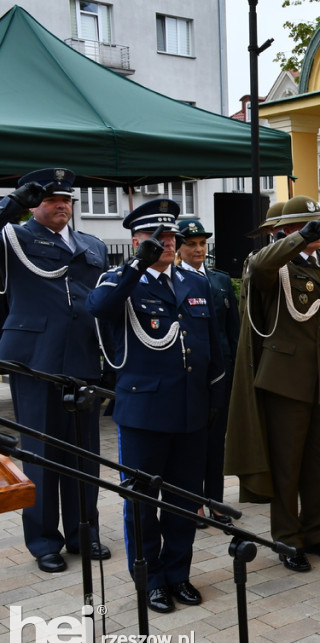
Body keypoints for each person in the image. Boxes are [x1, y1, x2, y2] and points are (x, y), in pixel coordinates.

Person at [88, 199, 225, 613]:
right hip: (145, 412)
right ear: (137, 241)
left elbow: (213, 347)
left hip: (191, 410)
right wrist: (134, 265)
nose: (168, 243)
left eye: (170, 236)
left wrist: (216, 397)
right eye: (157, 237)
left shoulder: (193, 282)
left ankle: (178, 573)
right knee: (143, 501)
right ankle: (149, 581)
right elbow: (98, 308)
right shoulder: (120, 280)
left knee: (184, 500)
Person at [224, 195, 320, 573]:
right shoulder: (273, 265)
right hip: (286, 383)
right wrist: (297, 241)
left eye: (315, 224)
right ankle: (287, 539)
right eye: (305, 225)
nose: (315, 232)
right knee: (287, 465)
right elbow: (259, 266)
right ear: (284, 231)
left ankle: (316, 531)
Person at [0, 168, 110, 573]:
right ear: (34, 204)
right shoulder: (13, 237)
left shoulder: (92, 244)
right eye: (50, 199)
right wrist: (12, 204)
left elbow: (104, 305)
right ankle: (44, 541)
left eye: (66, 200)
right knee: (41, 453)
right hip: (35, 358)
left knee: (84, 455)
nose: (61, 205)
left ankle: (86, 533)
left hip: (83, 359)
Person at [175, 219, 240, 527]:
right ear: (179, 247)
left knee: (216, 440)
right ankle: (193, 502)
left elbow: (233, 330)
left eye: (202, 243)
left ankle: (215, 500)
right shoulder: (173, 280)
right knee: (192, 441)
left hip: (221, 371)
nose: (198, 249)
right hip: (190, 372)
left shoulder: (220, 280)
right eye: (191, 244)